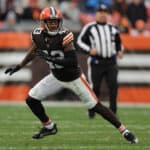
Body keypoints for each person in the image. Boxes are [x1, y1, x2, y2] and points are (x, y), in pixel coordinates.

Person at [5, 6, 138, 143]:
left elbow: (72, 61)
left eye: (55, 22)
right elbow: (34, 50)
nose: (53, 25)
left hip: (74, 78)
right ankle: (49, 126)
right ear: (43, 23)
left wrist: (51, 59)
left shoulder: (64, 35)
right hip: (56, 76)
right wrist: (19, 65)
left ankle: (124, 130)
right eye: (50, 22)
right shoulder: (38, 35)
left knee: (95, 106)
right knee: (31, 99)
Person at [77, 4, 123, 116]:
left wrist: (119, 50)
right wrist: (89, 50)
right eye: (100, 12)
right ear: (96, 14)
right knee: (95, 88)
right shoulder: (90, 27)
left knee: (113, 86)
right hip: (96, 62)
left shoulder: (112, 28)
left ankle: (113, 111)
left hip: (111, 62)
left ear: (107, 14)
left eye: (104, 12)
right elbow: (79, 42)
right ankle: (92, 111)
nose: (102, 14)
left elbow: (118, 42)